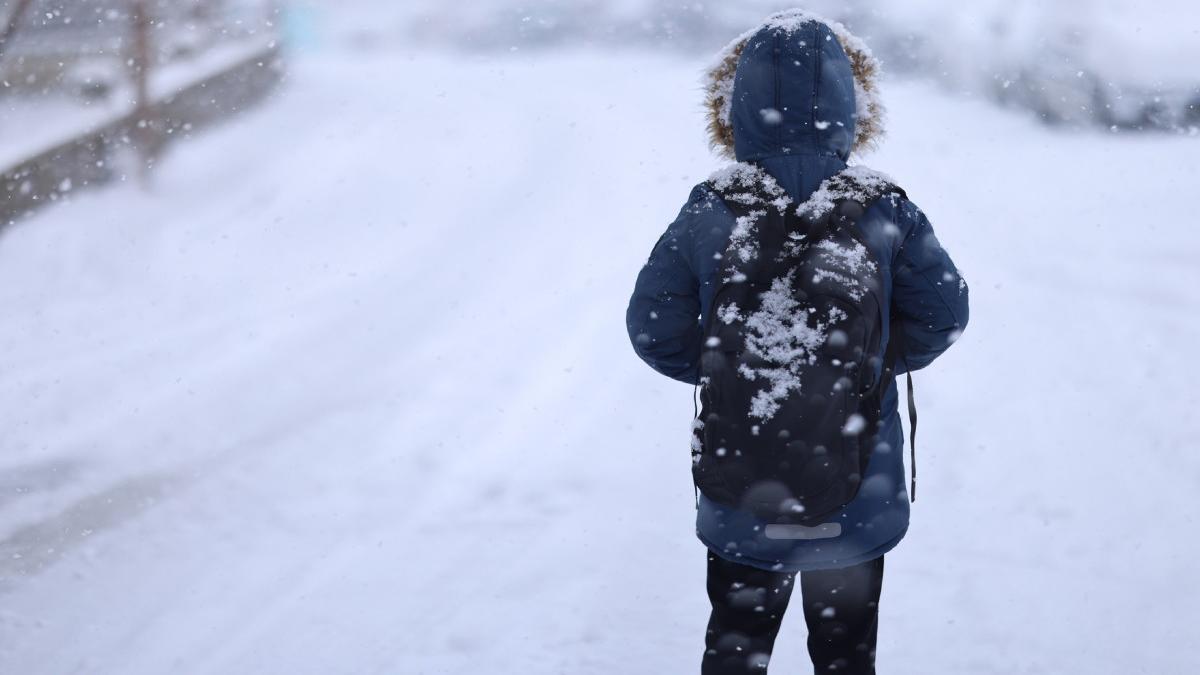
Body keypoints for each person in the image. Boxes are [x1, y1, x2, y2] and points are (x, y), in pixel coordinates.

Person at [625, 10, 969, 674]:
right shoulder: (884, 205)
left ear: (734, 106)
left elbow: (651, 329)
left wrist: (727, 367)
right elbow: (945, 314)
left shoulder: (710, 207)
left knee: (735, 647)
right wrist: (866, 361)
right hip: (858, 486)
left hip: (742, 482)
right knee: (845, 655)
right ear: (853, 103)